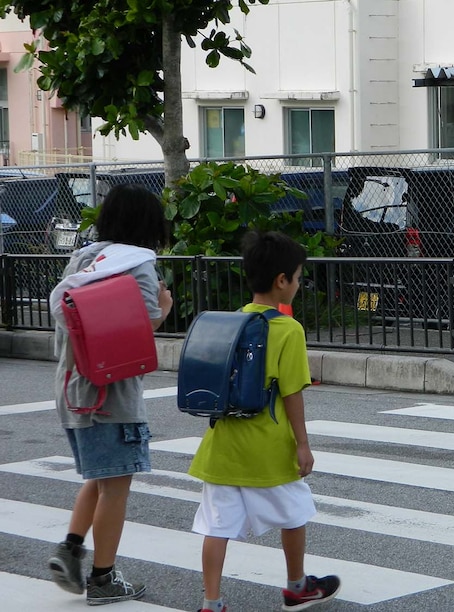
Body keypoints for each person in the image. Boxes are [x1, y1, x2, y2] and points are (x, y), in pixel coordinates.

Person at [187, 230, 340, 612]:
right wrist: (302, 444)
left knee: (216, 526)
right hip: (269, 447)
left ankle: (211, 602)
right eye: (298, 277)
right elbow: (291, 393)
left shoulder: (232, 322)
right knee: (294, 514)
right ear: (281, 281)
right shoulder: (288, 329)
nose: (299, 284)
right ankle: (296, 586)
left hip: (223, 446)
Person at [46, 183, 172, 605]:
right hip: (110, 396)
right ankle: (103, 578)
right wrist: (165, 310)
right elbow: (136, 329)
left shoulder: (85, 259)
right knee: (116, 487)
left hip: (72, 390)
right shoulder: (138, 264)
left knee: (101, 478)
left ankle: (70, 548)